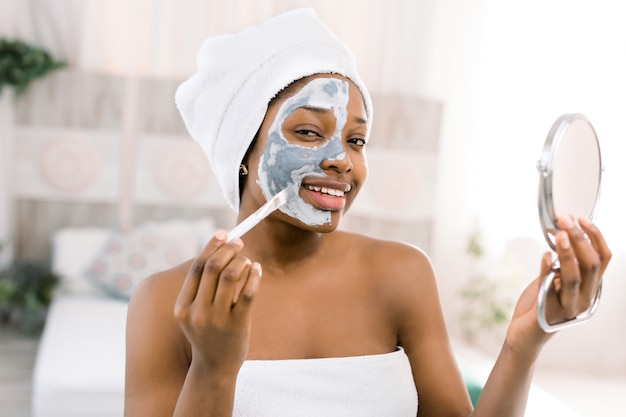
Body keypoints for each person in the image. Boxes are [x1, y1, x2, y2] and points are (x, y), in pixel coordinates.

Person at [124, 8, 611, 417]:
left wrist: (523, 344)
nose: (342, 160)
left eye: (356, 140)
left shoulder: (402, 273)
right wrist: (214, 368)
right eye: (310, 133)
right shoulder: (164, 303)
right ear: (241, 151)